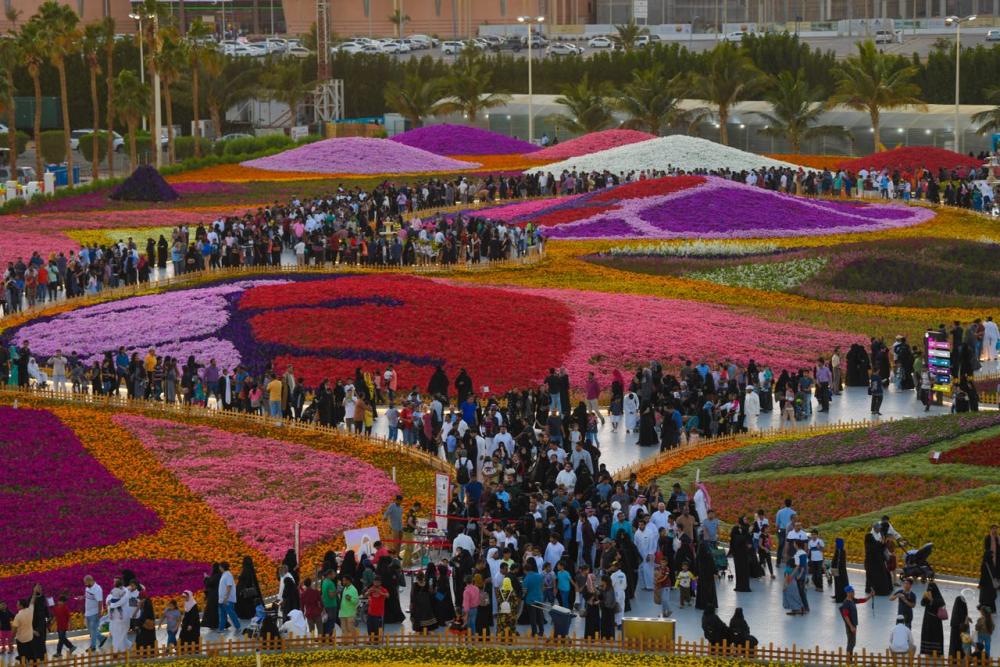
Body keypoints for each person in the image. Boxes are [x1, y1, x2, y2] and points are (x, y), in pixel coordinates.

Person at [839, 586, 871, 660]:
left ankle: (850, 658)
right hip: (850, 626)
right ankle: (849, 660)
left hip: (853, 625)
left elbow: (862, 600)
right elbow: (845, 616)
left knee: (852, 642)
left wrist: (870, 595)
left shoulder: (852, 600)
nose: (854, 593)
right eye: (852, 592)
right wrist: (851, 626)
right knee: (851, 642)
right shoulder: (846, 603)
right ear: (848, 593)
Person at [919, 582, 946, 656]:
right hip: (927, 620)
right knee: (927, 635)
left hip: (936, 621)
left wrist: (932, 600)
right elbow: (922, 603)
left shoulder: (938, 597)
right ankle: (927, 651)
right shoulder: (926, 595)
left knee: (936, 636)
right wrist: (925, 598)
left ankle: (936, 652)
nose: (929, 591)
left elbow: (941, 604)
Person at [83, 574, 106, 652]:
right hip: (88, 612)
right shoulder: (88, 588)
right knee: (91, 629)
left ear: (90, 581)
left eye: (86, 583)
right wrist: (82, 597)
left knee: (93, 630)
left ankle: (92, 647)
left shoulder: (97, 589)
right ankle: (101, 638)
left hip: (95, 613)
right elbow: (88, 595)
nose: (85, 584)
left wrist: (100, 613)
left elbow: (100, 601)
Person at [217, 561, 241, 634]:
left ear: (222, 567)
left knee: (231, 614)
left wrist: (226, 598)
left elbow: (229, 586)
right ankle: (221, 628)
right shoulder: (224, 574)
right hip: (222, 600)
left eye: (220, 566)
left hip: (228, 600)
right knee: (222, 615)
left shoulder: (228, 575)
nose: (219, 568)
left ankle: (238, 627)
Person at [339, 573, 360, 641]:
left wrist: (350, 598)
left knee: (350, 628)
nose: (343, 582)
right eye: (343, 580)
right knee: (344, 629)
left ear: (348, 581)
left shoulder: (353, 589)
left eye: (344, 580)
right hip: (343, 612)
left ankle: (355, 641)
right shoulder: (345, 588)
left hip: (350, 613)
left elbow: (356, 601)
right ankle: (345, 642)